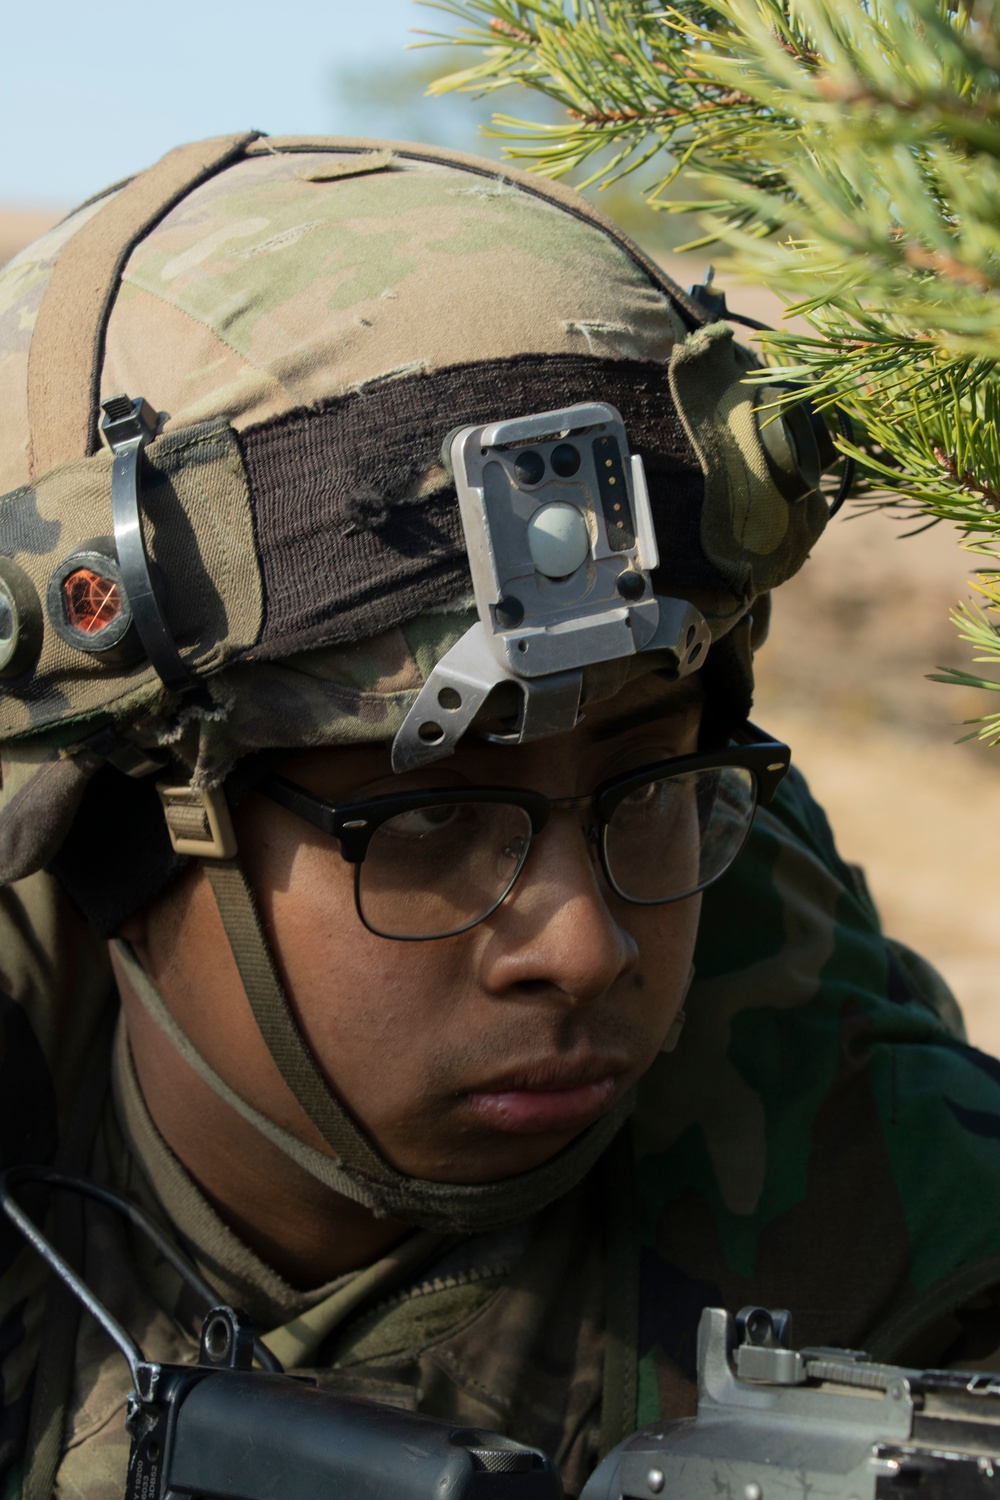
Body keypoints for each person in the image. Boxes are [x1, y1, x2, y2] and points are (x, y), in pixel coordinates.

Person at [0, 131, 997, 1500]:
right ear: (122, 825)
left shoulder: (892, 1236)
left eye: (649, 785)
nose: (584, 950)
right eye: (427, 819)